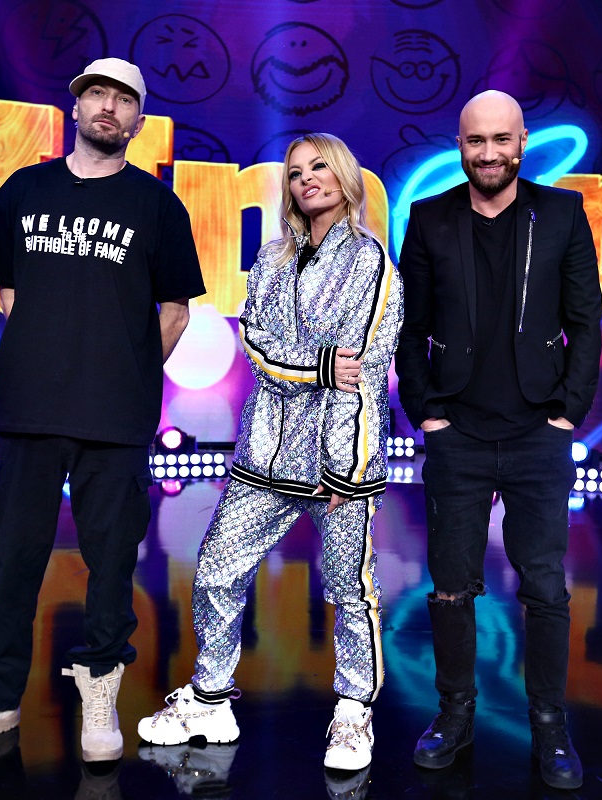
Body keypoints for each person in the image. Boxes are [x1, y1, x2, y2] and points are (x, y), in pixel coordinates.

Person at [0, 57, 206, 761]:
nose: (108, 108)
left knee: (110, 566)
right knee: (15, 560)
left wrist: (124, 373)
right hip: (30, 407)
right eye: (96, 95)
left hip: (116, 415)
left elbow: (175, 311)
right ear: (75, 108)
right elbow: (9, 291)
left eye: (123, 100)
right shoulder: (25, 188)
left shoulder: (158, 205)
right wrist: (49, 353)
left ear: (138, 120)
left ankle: (100, 693)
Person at [136, 133, 402, 771]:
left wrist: (346, 469)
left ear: (344, 174)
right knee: (216, 570)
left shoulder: (371, 262)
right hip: (264, 454)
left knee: (350, 589)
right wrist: (317, 364)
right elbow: (254, 341)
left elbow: (360, 372)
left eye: (319, 166)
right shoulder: (272, 257)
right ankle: (211, 699)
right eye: (295, 172)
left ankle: (353, 712)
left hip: (341, 458)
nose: (306, 179)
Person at [396, 90, 602, 790]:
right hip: (456, 431)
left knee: (544, 586)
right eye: (475, 140)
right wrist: (426, 411)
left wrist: (569, 411)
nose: (488, 153)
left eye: (501, 140)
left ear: (522, 144)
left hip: (539, 430)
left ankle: (550, 724)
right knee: (451, 587)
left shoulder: (563, 213)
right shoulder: (430, 217)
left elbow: (586, 320)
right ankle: (455, 713)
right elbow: (408, 325)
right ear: (460, 144)